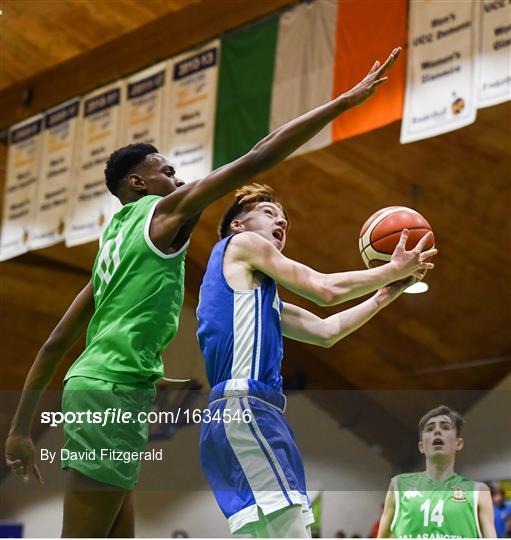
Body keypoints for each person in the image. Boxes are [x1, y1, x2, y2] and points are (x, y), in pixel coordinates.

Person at [5, 48, 403, 537]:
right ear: (138, 183)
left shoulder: (112, 249)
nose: (179, 180)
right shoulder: (165, 214)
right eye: (167, 172)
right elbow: (261, 154)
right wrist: (344, 101)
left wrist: (21, 430)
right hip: (111, 389)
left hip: (111, 390)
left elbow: (53, 345)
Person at [196, 182, 435, 538]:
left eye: (284, 220)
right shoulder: (241, 245)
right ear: (238, 225)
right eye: (268, 213)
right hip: (246, 409)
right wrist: (392, 269)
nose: (281, 222)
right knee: (292, 531)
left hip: (236, 416)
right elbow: (324, 290)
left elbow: (326, 330)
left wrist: (387, 292)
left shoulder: (254, 295)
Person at [377, 405, 497, 538]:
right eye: (430, 428)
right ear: (421, 446)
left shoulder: (478, 491)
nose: (437, 431)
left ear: (459, 443)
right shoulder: (399, 485)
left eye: (445, 427)